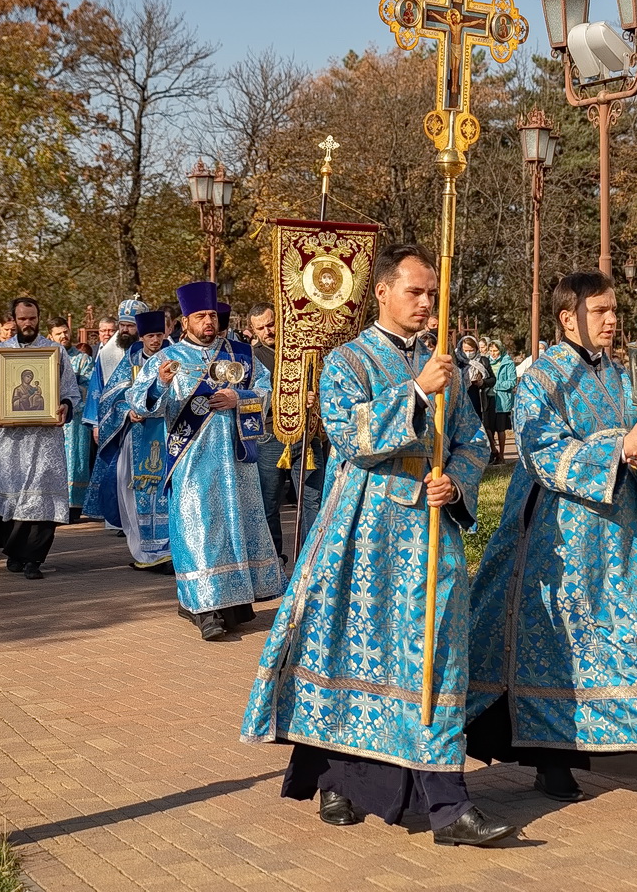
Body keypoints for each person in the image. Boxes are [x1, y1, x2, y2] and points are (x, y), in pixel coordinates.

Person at [242, 244, 514, 848]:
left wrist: (458, 479)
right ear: (383, 293)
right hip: (360, 535)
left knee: (433, 657)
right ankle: (336, 774)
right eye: (416, 292)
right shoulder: (348, 361)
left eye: (433, 294)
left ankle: (448, 804)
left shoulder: (448, 365)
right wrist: (417, 390)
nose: (427, 304)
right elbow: (348, 437)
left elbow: (472, 442)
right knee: (346, 649)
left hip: (430, 533)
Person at [466, 271, 637, 811]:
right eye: (601, 311)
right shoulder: (542, 377)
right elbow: (540, 451)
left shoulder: (627, 373)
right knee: (554, 652)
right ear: (568, 318)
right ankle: (556, 762)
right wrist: (617, 448)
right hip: (558, 539)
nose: (612, 321)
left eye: (615, 311)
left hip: (627, 538)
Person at [131, 282, 282, 640]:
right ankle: (204, 607)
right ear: (186, 321)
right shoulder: (166, 360)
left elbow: (267, 390)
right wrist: (159, 385)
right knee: (201, 529)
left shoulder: (240, 354)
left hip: (236, 459)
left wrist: (238, 396)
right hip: (192, 459)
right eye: (200, 316)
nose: (208, 321)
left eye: (212, 315)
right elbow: (138, 404)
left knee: (235, 528)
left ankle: (235, 602)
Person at [0, 297, 80, 579]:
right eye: (22, 319)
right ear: (14, 320)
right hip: (9, 440)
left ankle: (34, 559)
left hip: (44, 440)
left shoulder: (55, 352)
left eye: (32, 318)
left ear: (38, 318)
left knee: (42, 497)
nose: (27, 323)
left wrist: (65, 404)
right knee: (13, 498)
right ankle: (15, 553)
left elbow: (71, 390)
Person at [91, 310, 172, 570]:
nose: (155, 340)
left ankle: (170, 550)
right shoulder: (130, 360)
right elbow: (110, 400)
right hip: (137, 435)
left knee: (167, 493)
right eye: (150, 336)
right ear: (142, 336)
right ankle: (144, 553)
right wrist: (128, 411)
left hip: (167, 432)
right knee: (137, 492)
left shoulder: (176, 358)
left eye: (159, 334)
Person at [84, 301, 146, 530]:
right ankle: (119, 520)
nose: (125, 330)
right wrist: (95, 424)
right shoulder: (107, 352)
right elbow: (96, 388)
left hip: (148, 423)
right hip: (116, 423)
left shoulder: (152, 349)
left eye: (130, 326)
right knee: (118, 472)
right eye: (122, 325)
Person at [245, 301, 289, 564]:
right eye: (260, 328)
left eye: (271, 324)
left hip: (305, 437)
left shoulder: (298, 349)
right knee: (268, 502)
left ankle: (310, 558)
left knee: (312, 501)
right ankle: (274, 560)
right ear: (253, 330)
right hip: (270, 434)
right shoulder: (253, 358)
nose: (268, 331)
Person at [50, 317, 95, 521]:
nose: (63, 336)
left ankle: (74, 507)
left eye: (66, 332)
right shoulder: (47, 357)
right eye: (58, 333)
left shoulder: (82, 359)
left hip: (75, 419)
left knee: (75, 459)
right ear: (50, 336)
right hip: (51, 420)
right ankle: (54, 506)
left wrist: (66, 394)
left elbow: (88, 387)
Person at [484, 339, 516, 463]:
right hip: (489, 398)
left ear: (500, 350)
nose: (493, 353)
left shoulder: (508, 363)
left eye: (495, 350)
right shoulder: (486, 361)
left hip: (502, 400)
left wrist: (497, 385)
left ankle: (502, 455)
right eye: (491, 350)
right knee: (488, 427)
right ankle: (493, 451)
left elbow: (512, 381)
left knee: (501, 429)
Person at [455, 334, 492, 433]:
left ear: (476, 349)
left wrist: (482, 382)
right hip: (460, 396)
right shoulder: (456, 361)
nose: (468, 353)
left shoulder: (483, 361)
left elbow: (492, 379)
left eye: (471, 350)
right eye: (465, 350)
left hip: (476, 396)